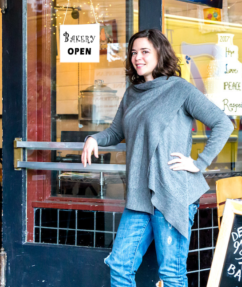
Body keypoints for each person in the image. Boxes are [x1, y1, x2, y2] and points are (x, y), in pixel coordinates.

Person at [81, 29, 234, 287]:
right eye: (133, 52)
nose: (137, 57)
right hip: (140, 196)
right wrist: (94, 138)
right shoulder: (132, 93)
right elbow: (116, 131)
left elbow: (222, 123)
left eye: (144, 52)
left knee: (171, 276)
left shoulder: (180, 89)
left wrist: (198, 163)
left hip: (173, 193)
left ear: (160, 54)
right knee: (120, 266)